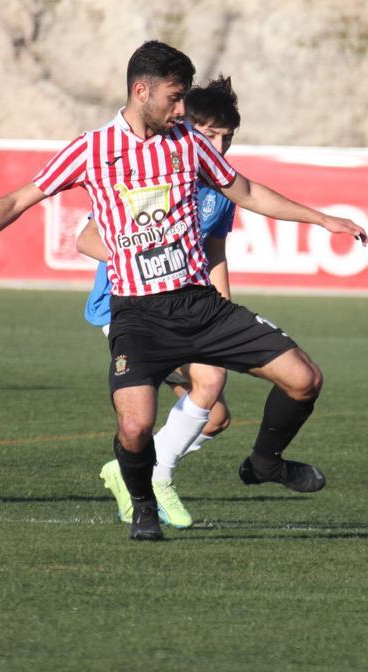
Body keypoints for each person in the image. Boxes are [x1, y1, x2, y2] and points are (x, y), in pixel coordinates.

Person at [0, 40, 368, 542]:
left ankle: (266, 463)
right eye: (175, 97)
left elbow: (245, 191)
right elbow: (18, 200)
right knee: (136, 427)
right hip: (138, 317)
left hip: (198, 304)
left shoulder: (189, 142)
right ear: (142, 92)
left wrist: (323, 219)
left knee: (304, 378)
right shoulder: (92, 150)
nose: (182, 109)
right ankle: (143, 506)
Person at [79, 75, 241, 529]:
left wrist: (223, 315)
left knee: (217, 417)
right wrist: (149, 258)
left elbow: (214, 256)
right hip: (126, 306)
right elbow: (87, 238)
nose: (220, 146)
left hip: (184, 307)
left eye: (227, 137)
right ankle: (155, 478)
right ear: (185, 125)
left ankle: (130, 470)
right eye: (210, 135)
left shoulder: (220, 191)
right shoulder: (151, 168)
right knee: (208, 384)